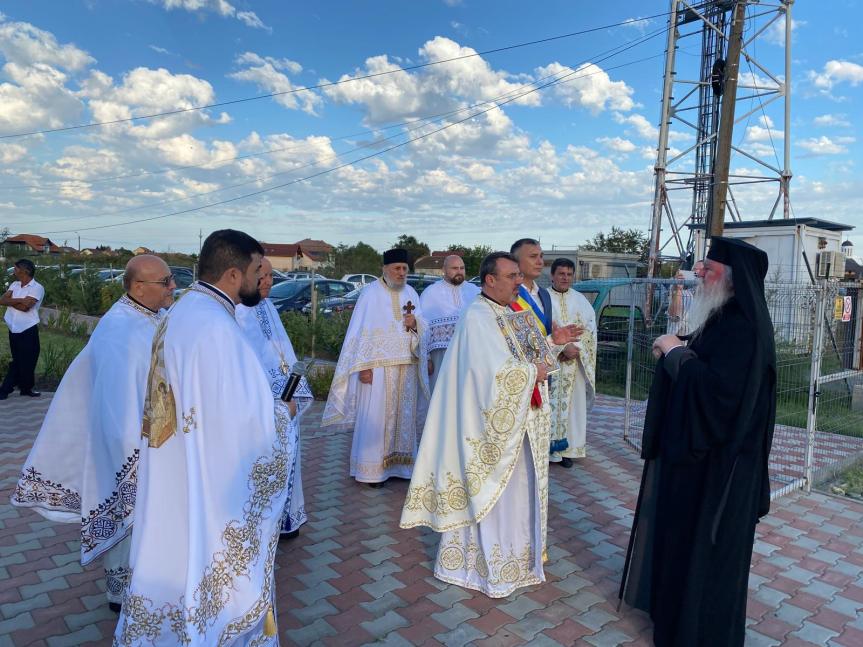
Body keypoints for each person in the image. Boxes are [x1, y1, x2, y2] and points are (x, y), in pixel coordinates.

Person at [115, 230, 296, 646]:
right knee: (206, 562)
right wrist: (281, 415)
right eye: (256, 270)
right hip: (204, 473)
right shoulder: (216, 328)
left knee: (176, 551)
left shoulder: (184, 311)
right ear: (233, 274)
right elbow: (240, 422)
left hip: (175, 462)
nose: (261, 278)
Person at [619, 237, 777, 647]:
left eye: (709, 267)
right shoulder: (723, 317)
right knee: (684, 542)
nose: (699, 272)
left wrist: (676, 353)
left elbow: (720, 397)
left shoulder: (743, 327)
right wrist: (682, 351)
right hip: (701, 459)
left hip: (724, 468)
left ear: (733, 278)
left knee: (708, 550)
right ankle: (675, 619)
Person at [401, 252, 581, 597]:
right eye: (512, 276)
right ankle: (482, 568)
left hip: (518, 422)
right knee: (491, 494)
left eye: (518, 276)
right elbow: (489, 374)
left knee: (516, 494)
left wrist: (553, 343)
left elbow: (525, 356)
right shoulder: (477, 317)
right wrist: (530, 373)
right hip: (488, 428)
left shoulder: (511, 312)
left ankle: (515, 559)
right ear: (490, 280)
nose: (519, 282)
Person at [11, 255, 175, 610]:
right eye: (165, 281)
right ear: (138, 287)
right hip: (129, 442)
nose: (173, 286)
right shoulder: (120, 329)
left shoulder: (151, 316)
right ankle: (124, 594)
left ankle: (145, 584)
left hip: (154, 437)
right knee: (127, 511)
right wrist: (132, 451)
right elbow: (116, 402)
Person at [322, 248, 429, 487]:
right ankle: (372, 472)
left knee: (404, 418)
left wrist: (416, 324)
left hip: (407, 367)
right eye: (397, 268)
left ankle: (402, 468)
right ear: (385, 269)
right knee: (376, 418)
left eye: (405, 269)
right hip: (377, 369)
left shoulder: (411, 292)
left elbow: (424, 326)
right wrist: (363, 367)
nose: (402, 273)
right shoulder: (370, 293)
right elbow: (358, 332)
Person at [236, 256, 313, 539]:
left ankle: (286, 518)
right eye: (263, 276)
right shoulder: (237, 312)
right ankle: (266, 521)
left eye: (271, 276)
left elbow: (280, 350)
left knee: (289, 453)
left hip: (285, 396)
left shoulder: (266, 305)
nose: (268, 281)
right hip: (264, 403)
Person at [547, 258, 596, 467]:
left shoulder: (581, 301)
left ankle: (566, 451)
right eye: (561, 274)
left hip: (575, 364)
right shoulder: (543, 299)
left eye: (569, 274)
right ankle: (547, 451)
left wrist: (577, 348)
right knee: (548, 408)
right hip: (550, 365)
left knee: (572, 409)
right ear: (552, 275)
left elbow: (590, 331)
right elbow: (540, 330)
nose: (565, 278)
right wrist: (560, 348)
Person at [419, 255, 480, 390]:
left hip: (471, 354)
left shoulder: (475, 292)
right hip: (441, 356)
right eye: (454, 268)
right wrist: (426, 359)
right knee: (443, 391)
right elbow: (421, 328)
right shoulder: (430, 293)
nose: (459, 271)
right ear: (444, 270)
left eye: (462, 268)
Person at [0, 259, 45, 399]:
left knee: (27, 360)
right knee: (20, 360)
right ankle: (18, 389)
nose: (13, 271)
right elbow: (1, 300)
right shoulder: (14, 285)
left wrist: (10, 301)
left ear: (25, 271)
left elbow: (25, 308)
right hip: (13, 328)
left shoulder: (37, 288)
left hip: (28, 329)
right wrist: (20, 300)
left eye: (16, 268)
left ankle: (11, 389)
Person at [510, 238, 552, 337]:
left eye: (541, 256)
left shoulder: (545, 294)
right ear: (515, 261)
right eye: (533, 256)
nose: (540, 262)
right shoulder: (507, 293)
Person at [667, 260, 704, 335]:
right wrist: (678, 289)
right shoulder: (685, 294)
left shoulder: (715, 298)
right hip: (678, 338)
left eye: (701, 269)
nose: (697, 272)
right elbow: (673, 317)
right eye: (694, 269)